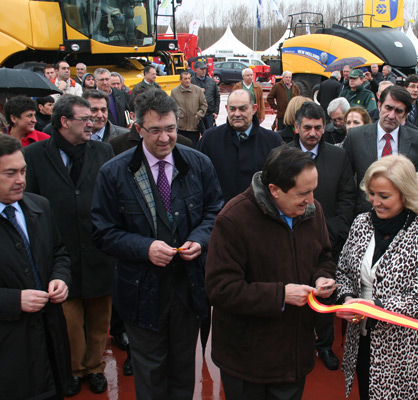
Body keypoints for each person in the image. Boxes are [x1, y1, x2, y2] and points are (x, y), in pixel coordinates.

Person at [91, 89, 224, 399]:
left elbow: (215, 211)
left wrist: (199, 240)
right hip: (140, 292)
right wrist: (144, 248)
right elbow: (102, 232)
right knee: (149, 374)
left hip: (189, 290)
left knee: (182, 371)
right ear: (138, 129)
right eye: (155, 130)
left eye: (171, 128)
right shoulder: (113, 173)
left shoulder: (199, 164)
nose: (165, 138)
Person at [205, 147, 337, 400]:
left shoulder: (313, 211)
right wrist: (280, 295)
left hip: (294, 356)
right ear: (274, 190)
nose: (311, 200)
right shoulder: (234, 220)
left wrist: (322, 277)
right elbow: (220, 289)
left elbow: (324, 257)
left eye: (313, 190)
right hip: (247, 362)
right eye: (303, 193)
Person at [336, 154, 418, 400]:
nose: (375, 202)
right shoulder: (361, 223)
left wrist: (376, 307)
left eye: (384, 196)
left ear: (405, 194)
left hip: (411, 346)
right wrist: (348, 297)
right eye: (371, 193)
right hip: (364, 338)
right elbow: (344, 272)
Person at [24, 94, 116, 396]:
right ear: (64, 122)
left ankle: (95, 367)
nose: (93, 122)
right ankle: (75, 370)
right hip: (60, 253)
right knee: (69, 318)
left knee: (100, 317)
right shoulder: (36, 155)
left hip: (99, 249)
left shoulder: (104, 151)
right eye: (85, 119)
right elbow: (30, 203)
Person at [0, 134, 71, 400]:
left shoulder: (39, 206)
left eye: (23, 171)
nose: (20, 180)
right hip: (10, 354)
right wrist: (13, 300)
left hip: (50, 342)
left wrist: (60, 279)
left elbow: (59, 253)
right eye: (10, 173)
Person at [288, 102, 355, 371]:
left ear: (324, 127)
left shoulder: (338, 158)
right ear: (296, 127)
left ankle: (324, 346)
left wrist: (333, 231)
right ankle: (294, 346)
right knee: (295, 295)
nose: (313, 133)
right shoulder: (282, 156)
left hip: (329, 241)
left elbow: (347, 197)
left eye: (318, 127)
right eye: (307, 127)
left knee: (326, 293)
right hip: (290, 240)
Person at [343, 85, 418, 214]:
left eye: (398, 111)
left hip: (404, 214)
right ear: (379, 105)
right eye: (388, 108)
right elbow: (345, 179)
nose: (391, 115)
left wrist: (415, 198)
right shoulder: (355, 137)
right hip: (365, 214)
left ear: (406, 114)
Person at [199, 89, 282, 203]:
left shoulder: (272, 141)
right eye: (232, 109)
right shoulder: (209, 139)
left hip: (259, 216)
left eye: (242, 109)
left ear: (254, 109)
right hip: (220, 216)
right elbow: (199, 181)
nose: (237, 114)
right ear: (227, 109)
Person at [170, 71, 208, 147]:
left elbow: (204, 105)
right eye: (185, 79)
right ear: (181, 80)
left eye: (189, 78)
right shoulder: (174, 92)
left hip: (194, 126)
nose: (187, 80)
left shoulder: (198, 90)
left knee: (194, 147)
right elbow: (171, 107)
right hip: (181, 126)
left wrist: (198, 114)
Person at [191, 61, 220, 130]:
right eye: (201, 69)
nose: (203, 71)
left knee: (210, 134)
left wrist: (216, 112)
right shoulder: (191, 82)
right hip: (196, 114)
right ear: (196, 70)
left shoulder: (211, 81)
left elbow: (217, 96)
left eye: (204, 69)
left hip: (209, 113)